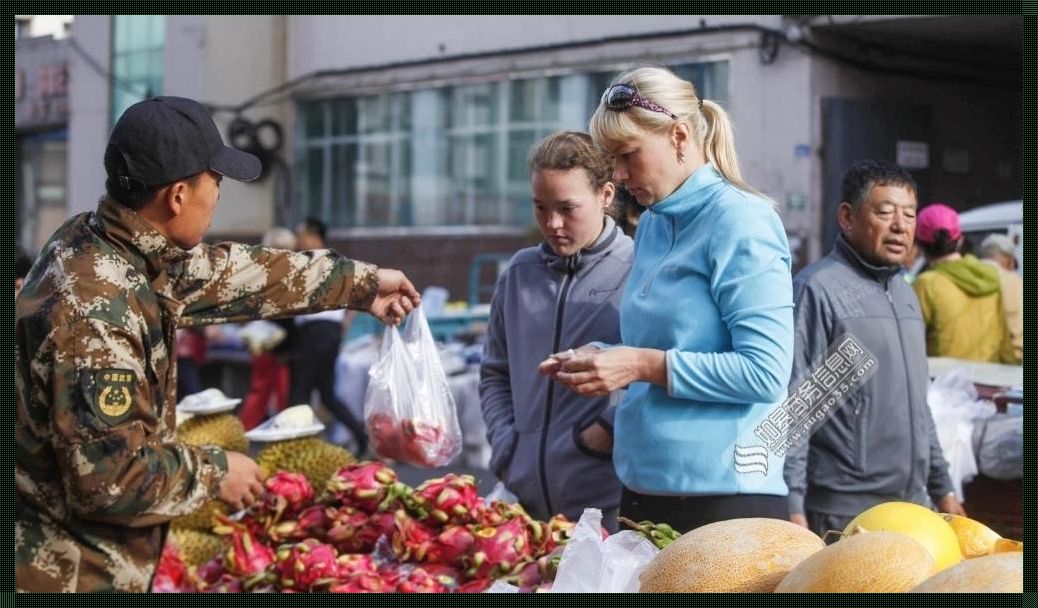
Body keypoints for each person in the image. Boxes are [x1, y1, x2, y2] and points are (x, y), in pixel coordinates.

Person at [15, 96, 419, 592]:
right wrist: (214, 473)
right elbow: (107, 479)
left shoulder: (110, 245)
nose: (219, 195)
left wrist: (363, 284)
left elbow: (241, 276)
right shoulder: (96, 314)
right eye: (217, 181)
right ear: (179, 195)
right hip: (66, 575)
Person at [540, 67, 795, 532]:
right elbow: (658, 345)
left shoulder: (742, 220)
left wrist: (637, 365)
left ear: (679, 135)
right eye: (610, 158)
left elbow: (765, 374)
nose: (617, 173)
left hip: (725, 498)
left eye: (627, 155)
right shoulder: (654, 222)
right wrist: (600, 359)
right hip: (643, 487)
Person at [783, 160, 964, 539]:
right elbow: (796, 404)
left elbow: (919, 404)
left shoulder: (906, 293)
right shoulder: (818, 290)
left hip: (912, 506)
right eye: (885, 213)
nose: (900, 226)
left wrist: (943, 488)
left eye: (910, 215)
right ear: (847, 217)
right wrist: (793, 506)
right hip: (846, 509)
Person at [480, 131, 634, 528]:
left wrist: (600, 436)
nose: (552, 223)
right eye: (540, 207)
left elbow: (658, 371)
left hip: (607, 506)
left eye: (567, 208)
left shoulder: (641, 270)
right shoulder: (518, 273)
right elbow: (495, 372)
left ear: (606, 195)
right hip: (522, 504)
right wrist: (506, 444)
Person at [290, 217, 369, 455]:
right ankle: (360, 435)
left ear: (313, 235)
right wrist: (343, 325)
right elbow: (358, 293)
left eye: (300, 234)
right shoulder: (338, 262)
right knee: (326, 394)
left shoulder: (310, 262)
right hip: (329, 332)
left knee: (300, 392)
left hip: (314, 332)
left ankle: (294, 449)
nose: (297, 240)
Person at [912, 203, 1017, 364]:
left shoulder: (926, 284)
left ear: (919, 245)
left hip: (945, 384)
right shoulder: (990, 276)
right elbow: (1005, 342)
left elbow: (910, 344)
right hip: (991, 381)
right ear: (960, 240)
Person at [238, 227, 299, 430]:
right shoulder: (283, 276)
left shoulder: (259, 273)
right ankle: (279, 433)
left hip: (264, 342)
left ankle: (246, 431)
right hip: (274, 345)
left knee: (261, 392)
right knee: (276, 392)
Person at [978, 233, 1023, 362]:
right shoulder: (1015, 282)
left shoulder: (967, 276)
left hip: (969, 359)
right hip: (1008, 362)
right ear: (1008, 259)